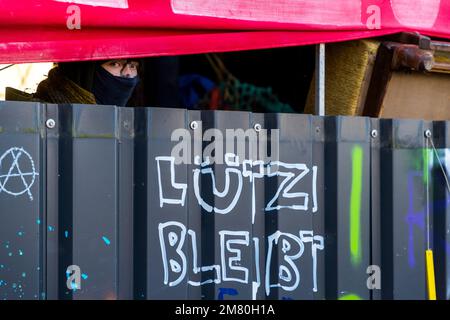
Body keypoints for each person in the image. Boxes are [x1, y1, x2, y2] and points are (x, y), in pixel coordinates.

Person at [32, 59, 141, 106]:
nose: (128, 73)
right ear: (86, 70)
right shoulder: (36, 113)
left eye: (133, 66)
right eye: (115, 64)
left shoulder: (137, 126)